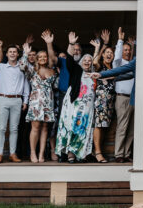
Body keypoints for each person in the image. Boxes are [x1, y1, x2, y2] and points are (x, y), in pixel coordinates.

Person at [99, 35, 143, 168]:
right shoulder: (140, 59)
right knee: (139, 129)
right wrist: (102, 74)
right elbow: (122, 70)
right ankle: (139, 157)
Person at [0, 32, 29, 163]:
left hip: (17, 100)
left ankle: (12, 153)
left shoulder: (22, 67)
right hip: (3, 99)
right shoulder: (2, 67)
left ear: (17, 53)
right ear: (8, 54)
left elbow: (26, 84)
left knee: (14, 128)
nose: (12, 53)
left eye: (15, 51)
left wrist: (25, 100)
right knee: (2, 128)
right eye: (10, 52)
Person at [55, 39, 99, 163]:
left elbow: (96, 60)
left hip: (87, 108)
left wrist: (97, 47)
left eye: (89, 61)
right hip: (74, 105)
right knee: (72, 127)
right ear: (81, 61)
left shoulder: (94, 74)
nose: (87, 62)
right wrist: (71, 44)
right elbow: (69, 60)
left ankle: (81, 153)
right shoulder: (76, 70)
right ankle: (70, 153)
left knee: (84, 129)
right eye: (85, 60)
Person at [25, 31, 59, 163]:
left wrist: (48, 44)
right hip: (35, 103)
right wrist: (26, 53)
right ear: (37, 59)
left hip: (48, 102)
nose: (43, 58)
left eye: (45, 57)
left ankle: (41, 154)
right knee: (35, 127)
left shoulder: (53, 71)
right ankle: (33, 153)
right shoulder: (33, 70)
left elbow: (56, 85)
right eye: (41, 57)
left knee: (45, 128)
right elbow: (22, 65)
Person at [90, 31, 116, 163]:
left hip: (110, 101)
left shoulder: (113, 67)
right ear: (103, 55)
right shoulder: (99, 66)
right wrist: (101, 47)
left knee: (105, 126)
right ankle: (98, 152)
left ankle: (99, 151)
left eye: (111, 53)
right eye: (107, 53)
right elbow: (94, 61)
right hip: (101, 100)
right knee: (99, 125)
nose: (109, 55)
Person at [111, 31, 135, 163]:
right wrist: (120, 41)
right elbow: (116, 58)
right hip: (122, 97)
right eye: (124, 50)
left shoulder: (132, 64)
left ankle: (126, 153)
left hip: (133, 98)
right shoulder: (119, 64)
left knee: (132, 128)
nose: (126, 52)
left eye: (128, 50)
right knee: (122, 126)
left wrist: (133, 45)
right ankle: (118, 154)